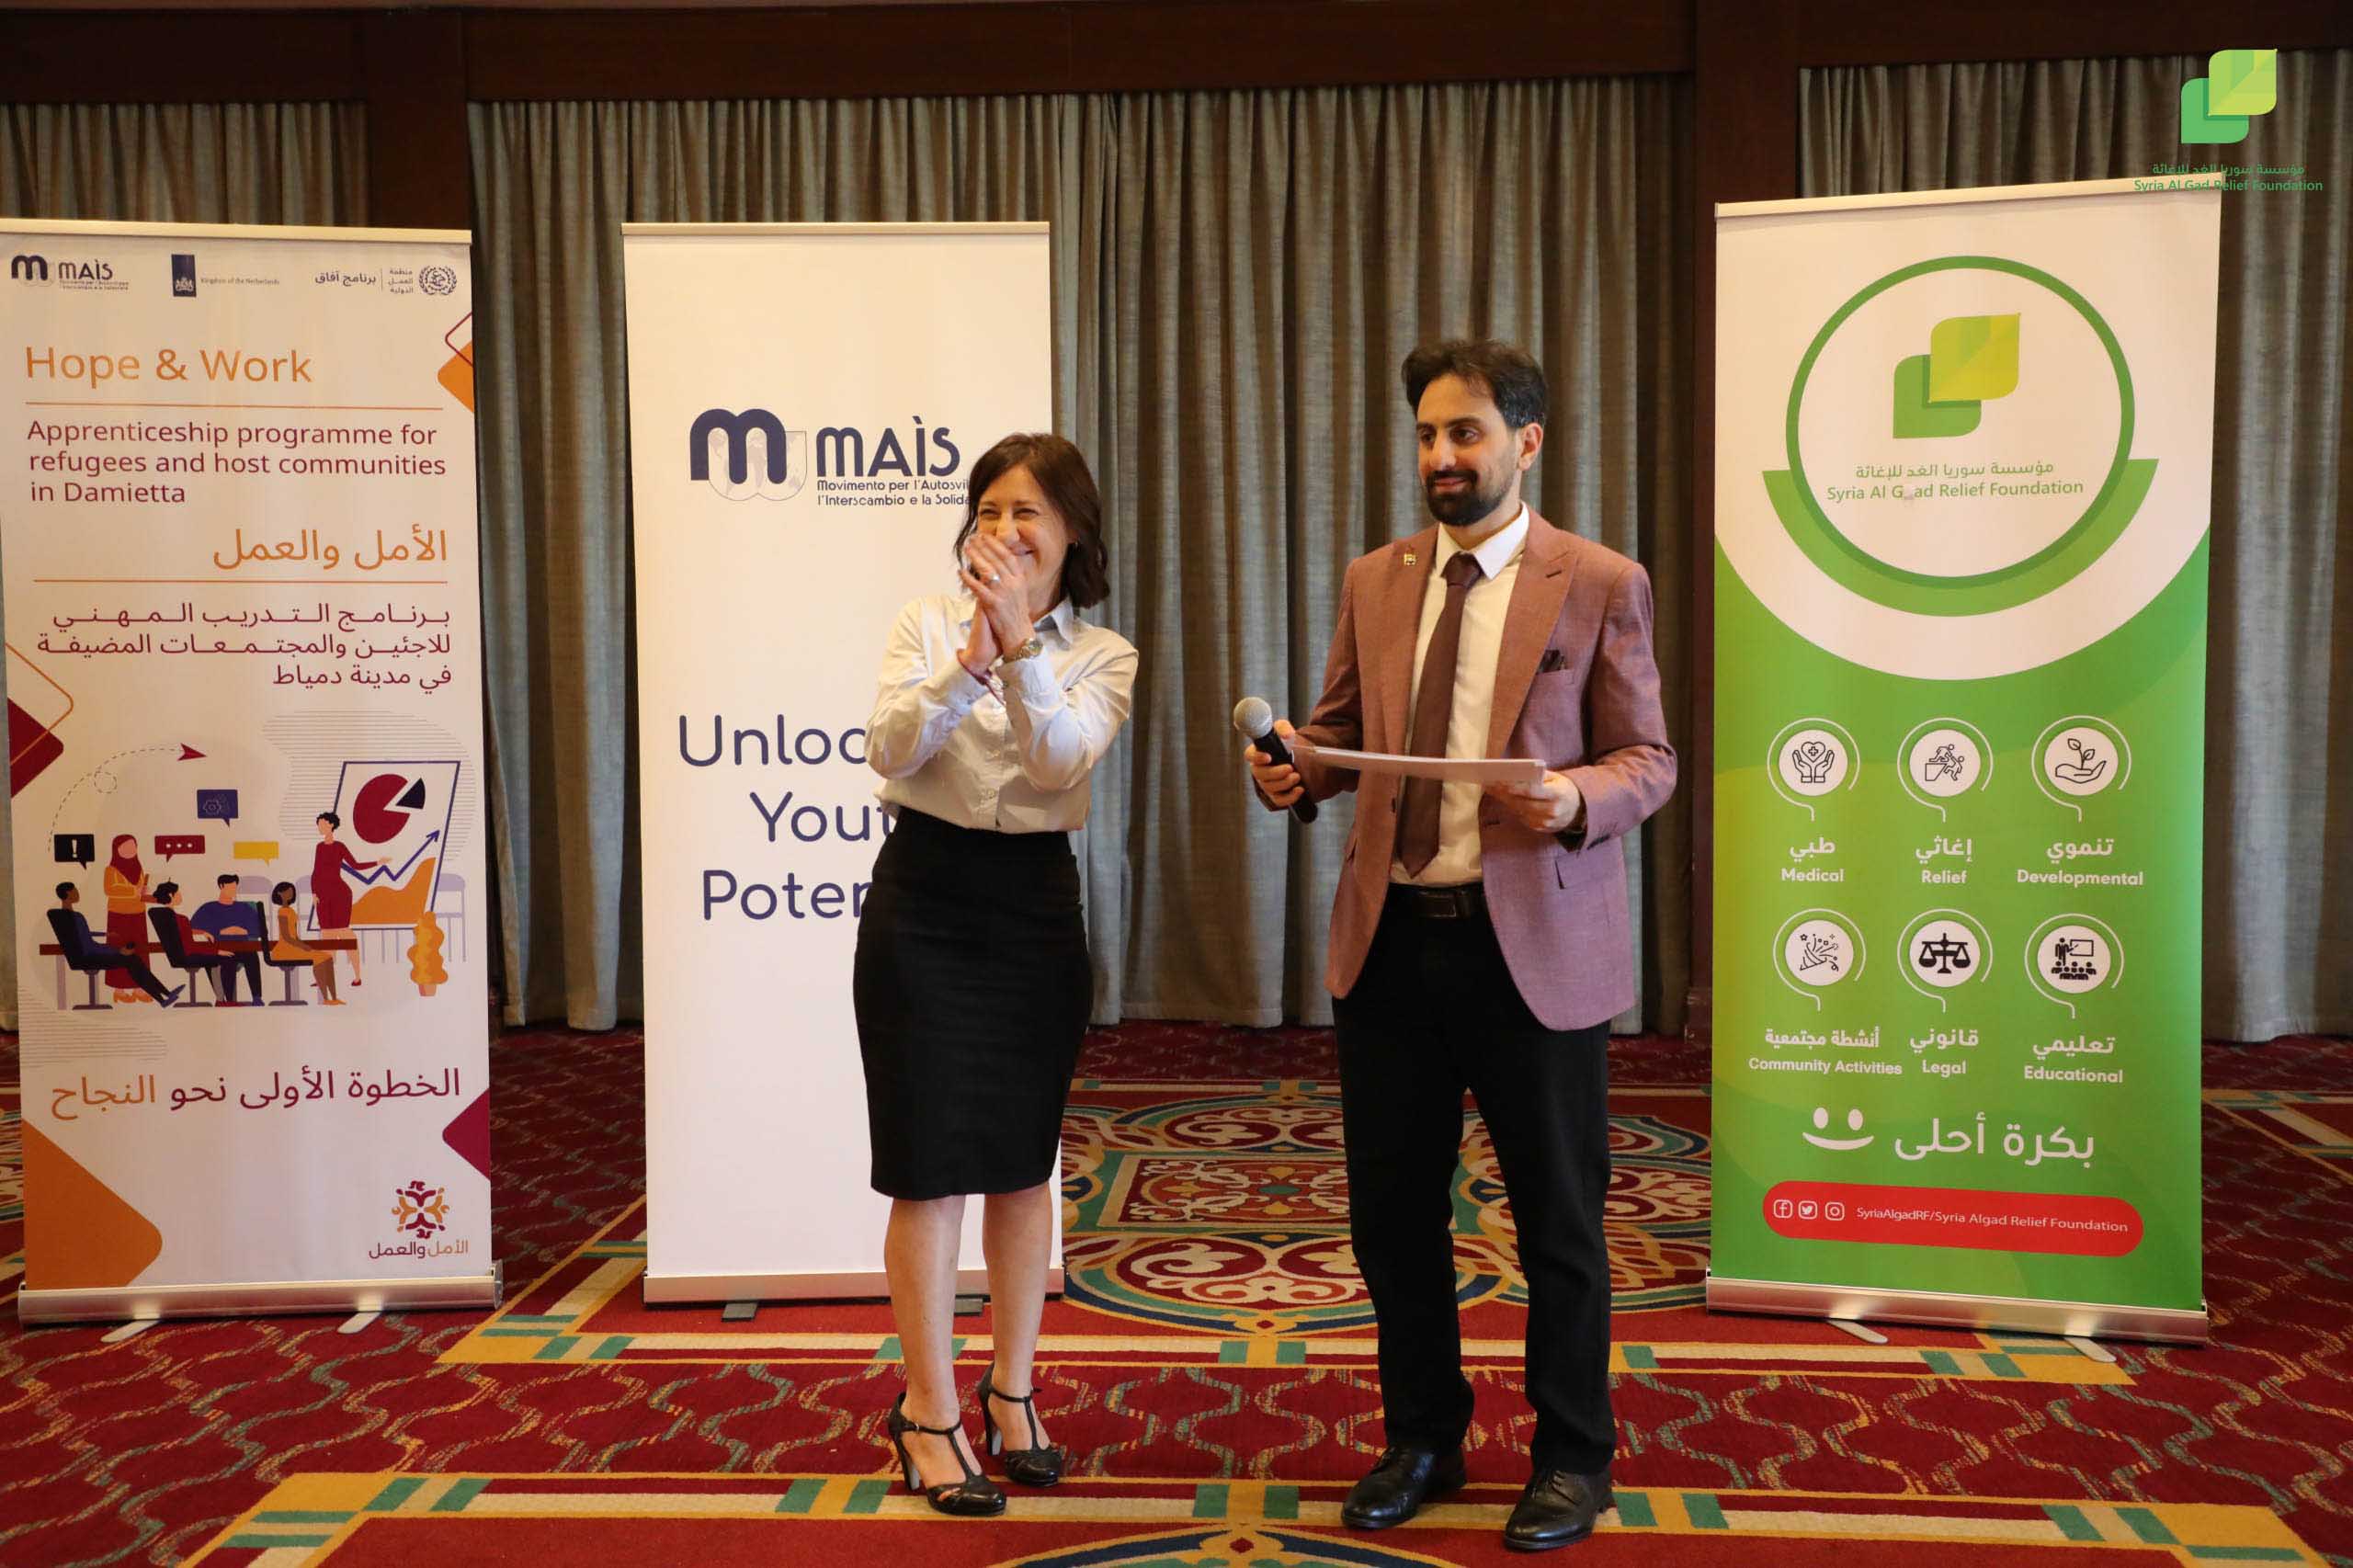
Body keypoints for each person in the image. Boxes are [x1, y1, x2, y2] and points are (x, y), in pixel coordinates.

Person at [1245, 340, 1675, 1552]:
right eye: (1428, 434)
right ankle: (1424, 1435)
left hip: (1530, 951)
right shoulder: (1376, 579)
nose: (1442, 455)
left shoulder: (1599, 580)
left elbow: (1648, 758)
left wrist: (1576, 796)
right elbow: (1340, 732)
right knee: (1392, 1216)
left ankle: (1574, 1456)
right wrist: (1295, 769)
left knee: (1558, 1223)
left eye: (1466, 433)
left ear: (1525, 442)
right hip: (1392, 946)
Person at [855, 432, 1137, 1517]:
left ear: (1072, 533)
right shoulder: (925, 624)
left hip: (1033, 909)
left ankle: (1011, 1392)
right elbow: (890, 748)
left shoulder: (1104, 653)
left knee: (1022, 1163)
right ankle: (927, 1413)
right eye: (988, 510)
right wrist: (971, 657)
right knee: (927, 1165)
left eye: (1029, 512)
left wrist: (1021, 650)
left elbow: (1059, 762)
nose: (1006, 530)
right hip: (922, 900)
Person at [54, 882, 179, 1006]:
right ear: (68, 894)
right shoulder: (76, 917)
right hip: (88, 957)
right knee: (132, 960)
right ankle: (163, 997)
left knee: (133, 959)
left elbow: (84, 935)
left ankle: (165, 995)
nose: (77, 893)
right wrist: (118, 951)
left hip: (84, 956)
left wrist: (106, 935)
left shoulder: (61, 917)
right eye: (75, 890)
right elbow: (89, 946)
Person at [310, 812, 380, 988]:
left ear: (331, 825)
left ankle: (357, 976)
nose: (319, 827)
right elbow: (316, 871)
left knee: (345, 934)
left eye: (322, 824)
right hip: (322, 896)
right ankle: (324, 976)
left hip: (340, 895)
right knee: (327, 936)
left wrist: (377, 863)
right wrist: (314, 893)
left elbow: (355, 865)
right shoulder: (319, 847)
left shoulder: (340, 846)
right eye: (319, 824)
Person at [189, 874, 267, 1005]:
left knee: (252, 956)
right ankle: (229, 1000)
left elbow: (260, 930)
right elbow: (191, 928)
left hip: (243, 947)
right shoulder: (209, 908)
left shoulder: (244, 908)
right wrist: (217, 931)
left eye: (235, 888)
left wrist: (244, 931)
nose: (233, 891)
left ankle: (257, 998)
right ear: (221, 886)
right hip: (220, 948)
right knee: (227, 960)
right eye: (230, 887)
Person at [148, 881, 227, 1002]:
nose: (180, 895)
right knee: (216, 960)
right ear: (171, 895)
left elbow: (179, 933)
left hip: (175, 958)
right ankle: (221, 1000)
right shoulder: (181, 919)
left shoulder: (159, 915)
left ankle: (221, 999)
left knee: (211, 958)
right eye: (178, 893)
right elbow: (191, 946)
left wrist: (201, 932)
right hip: (186, 957)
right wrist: (216, 951)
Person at [269, 881, 341, 1005]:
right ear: (280, 893)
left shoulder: (291, 911)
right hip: (284, 950)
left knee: (328, 958)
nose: (291, 893)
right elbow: (286, 937)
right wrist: (302, 946)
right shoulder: (282, 911)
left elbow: (295, 936)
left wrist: (303, 945)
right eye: (288, 891)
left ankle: (334, 998)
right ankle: (326, 999)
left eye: (292, 891)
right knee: (320, 958)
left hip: (293, 948)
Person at [100, 834, 150, 1002]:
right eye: (126, 846)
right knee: (119, 951)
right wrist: (134, 891)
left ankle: (139, 988)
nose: (131, 849)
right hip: (118, 916)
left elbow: (140, 889)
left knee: (140, 952)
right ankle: (119, 991)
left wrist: (144, 892)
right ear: (117, 849)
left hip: (138, 914)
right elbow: (110, 889)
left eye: (133, 846)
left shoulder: (139, 868)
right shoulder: (111, 870)